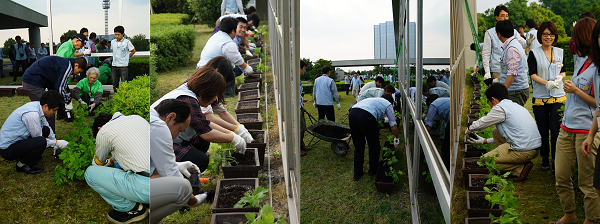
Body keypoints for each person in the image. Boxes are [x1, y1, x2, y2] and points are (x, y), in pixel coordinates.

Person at [150, 67, 248, 172]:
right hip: (156, 143)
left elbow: (204, 125)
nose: (215, 99)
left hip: (169, 137)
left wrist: (234, 132)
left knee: (202, 142)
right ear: (203, 91)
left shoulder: (188, 90)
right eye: (214, 95)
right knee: (200, 160)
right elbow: (207, 133)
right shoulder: (188, 100)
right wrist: (233, 138)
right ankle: (179, 176)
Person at [551, 17, 600, 224]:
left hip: (586, 131)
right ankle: (569, 215)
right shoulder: (580, 60)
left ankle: (591, 220)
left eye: (575, 36)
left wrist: (576, 90)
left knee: (587, 183)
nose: (572, 41)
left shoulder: (597, 67)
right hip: (566, 128)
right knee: (561, 176)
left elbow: (598, 104)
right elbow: (571, 46)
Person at [466, 83, 540, 182]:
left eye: (489, 102)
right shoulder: (513, 105)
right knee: (496, 131)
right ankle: (512, 160)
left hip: (523, 150)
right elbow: (512, 134)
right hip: (533, 148)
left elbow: (482, 122)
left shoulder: (500, 108)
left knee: (485, 161)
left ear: (494, 99)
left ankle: (519, 169)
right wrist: (484, 141)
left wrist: (470, 129)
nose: (489, 105)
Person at [150, 99, 209, 223]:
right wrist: (194, 201)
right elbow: (171, 176)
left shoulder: (152, 117)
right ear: (171, 117)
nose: (176, 137)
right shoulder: (159, 127)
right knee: (182, 188)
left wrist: (177, 165)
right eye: (179, 130)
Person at [85, 112, 150, 224]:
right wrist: (112, 160)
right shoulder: (137, 118)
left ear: (99, 129)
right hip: (167, 180)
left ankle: (133, 209)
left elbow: (97, 164)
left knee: (90, 173)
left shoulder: (104, 132)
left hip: (148, 188)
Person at [527, 21, 566, 171]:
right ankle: (545, 158)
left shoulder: (560, 52)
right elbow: (532, 74)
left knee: (555, 129)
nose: (548, 37)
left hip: (558, 96)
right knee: (543, 130)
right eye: (545, 34)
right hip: (541, 97)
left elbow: (563, 71)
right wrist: (546, 83)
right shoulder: (534, 53)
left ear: (555, 36)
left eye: (551, 34)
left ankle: (556, 160)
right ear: (540, 35)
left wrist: (559, 78)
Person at [0, 91, 69, 174]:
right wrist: (57, 143)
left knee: (46, 130)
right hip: (7, 149)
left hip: (17, 141)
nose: (55, 113)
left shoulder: (38, 105)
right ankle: (21, 165)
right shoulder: (33, 114)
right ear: (46, 106)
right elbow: (38, 139)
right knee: (41, 142)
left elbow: (46, 125)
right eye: (54, 110)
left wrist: (54, 140)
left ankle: (25, 156)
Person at [21, 56, 88, 130]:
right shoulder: (68, 67)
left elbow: (56, 85)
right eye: (78, 71)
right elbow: (60, 88)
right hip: (32, 82)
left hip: (33, 81)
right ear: (76, 65)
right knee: (49, 110)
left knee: (44, 108)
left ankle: (43, 132)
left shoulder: (65, 63)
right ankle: (51, 137)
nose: (77, 74)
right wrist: (68, 101)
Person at [199, 57, 253, 141]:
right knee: (203, 137)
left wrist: (240, 127)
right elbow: (209, 118)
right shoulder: (202, 88)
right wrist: (234, 131)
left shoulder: (211, 87)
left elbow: (222, 112)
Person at [349, 95, 400, 181]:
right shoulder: (388, 105)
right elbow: (393, 126)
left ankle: (357, 174)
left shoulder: (374, 99)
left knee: (358, 146)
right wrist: (396, 137)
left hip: (353, 113)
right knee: (374, 145)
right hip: (366, 116)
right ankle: (372, 171)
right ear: (391, 102)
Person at [482, 5, 533, 83]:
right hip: (497, 70)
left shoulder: (513, 31)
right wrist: (487, 71)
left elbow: (522, 44)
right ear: (496, 17)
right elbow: (486, 54)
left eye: (507, 16)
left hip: (511, 70)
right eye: (502, 16)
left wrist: (527, 43)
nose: (505, 18)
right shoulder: (490, 33)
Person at [494, 20, 530, 106]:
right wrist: (498, 79)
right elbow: (508, 69)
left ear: (499, 34)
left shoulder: (511, 49)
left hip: (515, 91)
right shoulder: (513, 44)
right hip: (515, 90)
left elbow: (512, 73)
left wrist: (503, 91)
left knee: (512, 117)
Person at [424, 94, 451, 170]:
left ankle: (445, 168)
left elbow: (429, 125)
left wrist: (423, 136)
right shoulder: (442, 100)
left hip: (453, 120)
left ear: (429, 103)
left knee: (445, 149)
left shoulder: (433, 105)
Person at [111, 25, 136, 92]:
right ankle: (116, 97)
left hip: (123, 66)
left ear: (123, 34)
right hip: (114, 66)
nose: (117, 36)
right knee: (115, 84)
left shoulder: (127, 42)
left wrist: (127, 58)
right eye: (115, 34)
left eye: (118, 34)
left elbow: (133, 51)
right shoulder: (113, 42)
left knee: (124, 83)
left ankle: (125, 97)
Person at [299, 60, 311, 156]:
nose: (305, 71)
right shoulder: (294, 80)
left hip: (299, 107)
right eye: (304, 69)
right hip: (296, 108)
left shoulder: (297, 79)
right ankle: (298, 149)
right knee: (301, 128)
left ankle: (302, 146)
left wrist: (302, 106)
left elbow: (299, 96)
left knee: (303, 127)